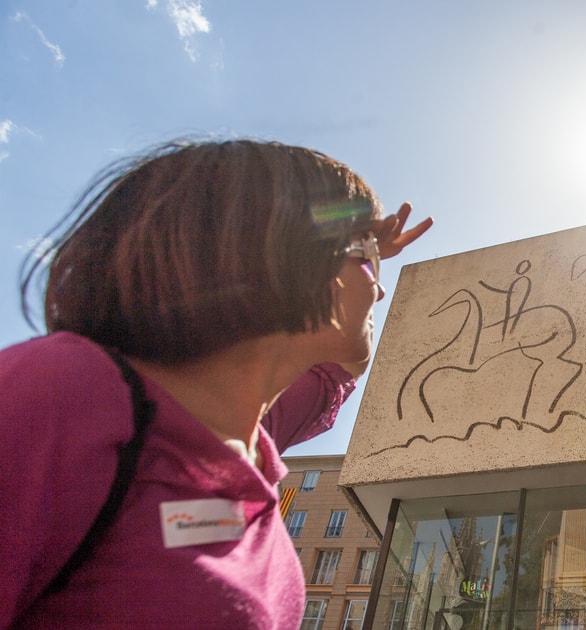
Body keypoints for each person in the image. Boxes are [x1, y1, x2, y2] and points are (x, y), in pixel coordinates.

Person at [0, 139, 433, 628]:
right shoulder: (63, 392)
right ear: (284, 257)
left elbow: (338, 367)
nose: (377, 287)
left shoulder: (248, 432)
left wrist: (365, 256)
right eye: (365, 261)